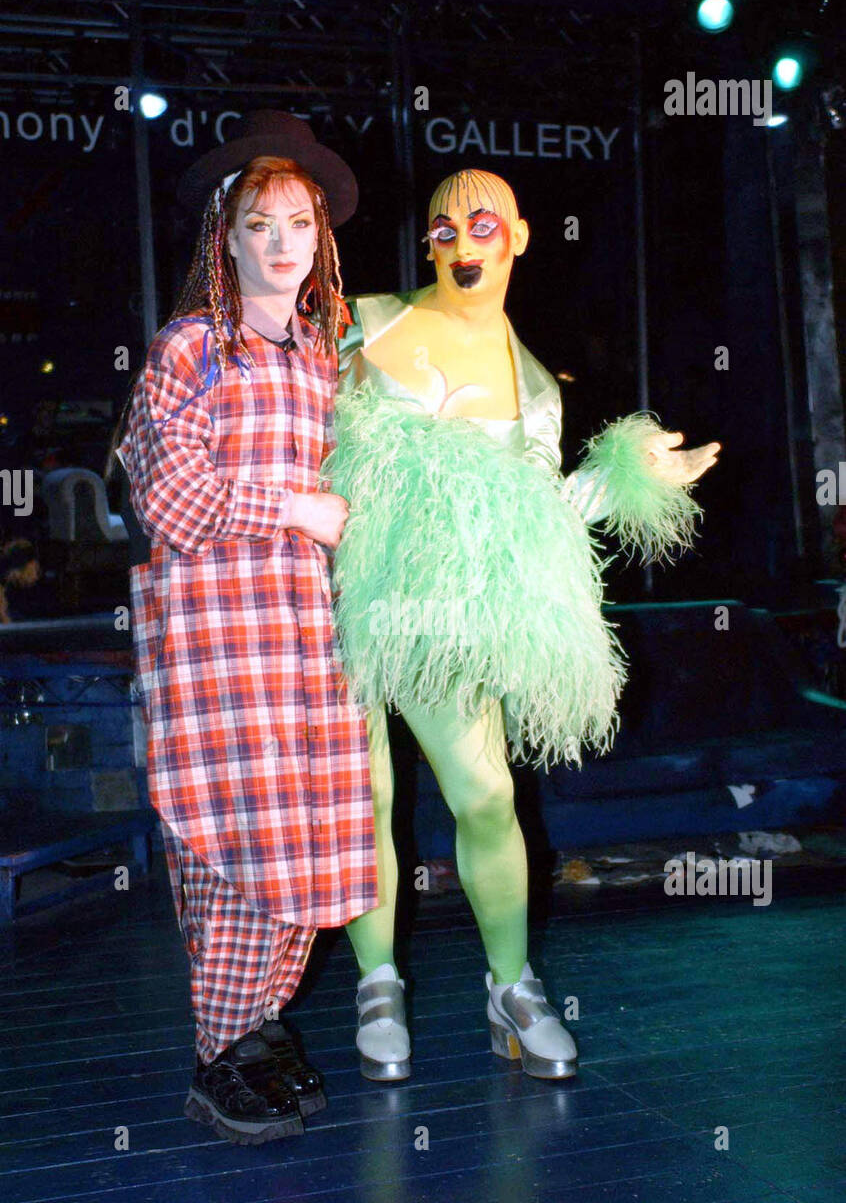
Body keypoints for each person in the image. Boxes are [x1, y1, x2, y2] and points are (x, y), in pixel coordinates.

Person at [322, 168, 721, 1083]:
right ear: (427, 242)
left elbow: (534, 512)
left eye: (484, 225)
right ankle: (377, 983)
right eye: (444, 229)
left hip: (439, 621)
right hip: (332, 599)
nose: (464, 245)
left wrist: (628, 474)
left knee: (488, 796)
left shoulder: (536, 390)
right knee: (363, 800)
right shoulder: (364, 320)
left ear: (520, 237)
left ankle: (512, 988)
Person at [109, 111, 378, 1144]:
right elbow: (170, 499)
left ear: (320, 241)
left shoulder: (327, 357)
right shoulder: (187, 351)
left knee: (304, 856)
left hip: (309, 645)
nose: (279, 243)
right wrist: (293, 508)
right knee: (229, 855)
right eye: (259, 223)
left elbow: (371, 488)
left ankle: (256, 1030)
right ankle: (217, 1054)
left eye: (298, 225)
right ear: (225, 235)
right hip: (219, 648)